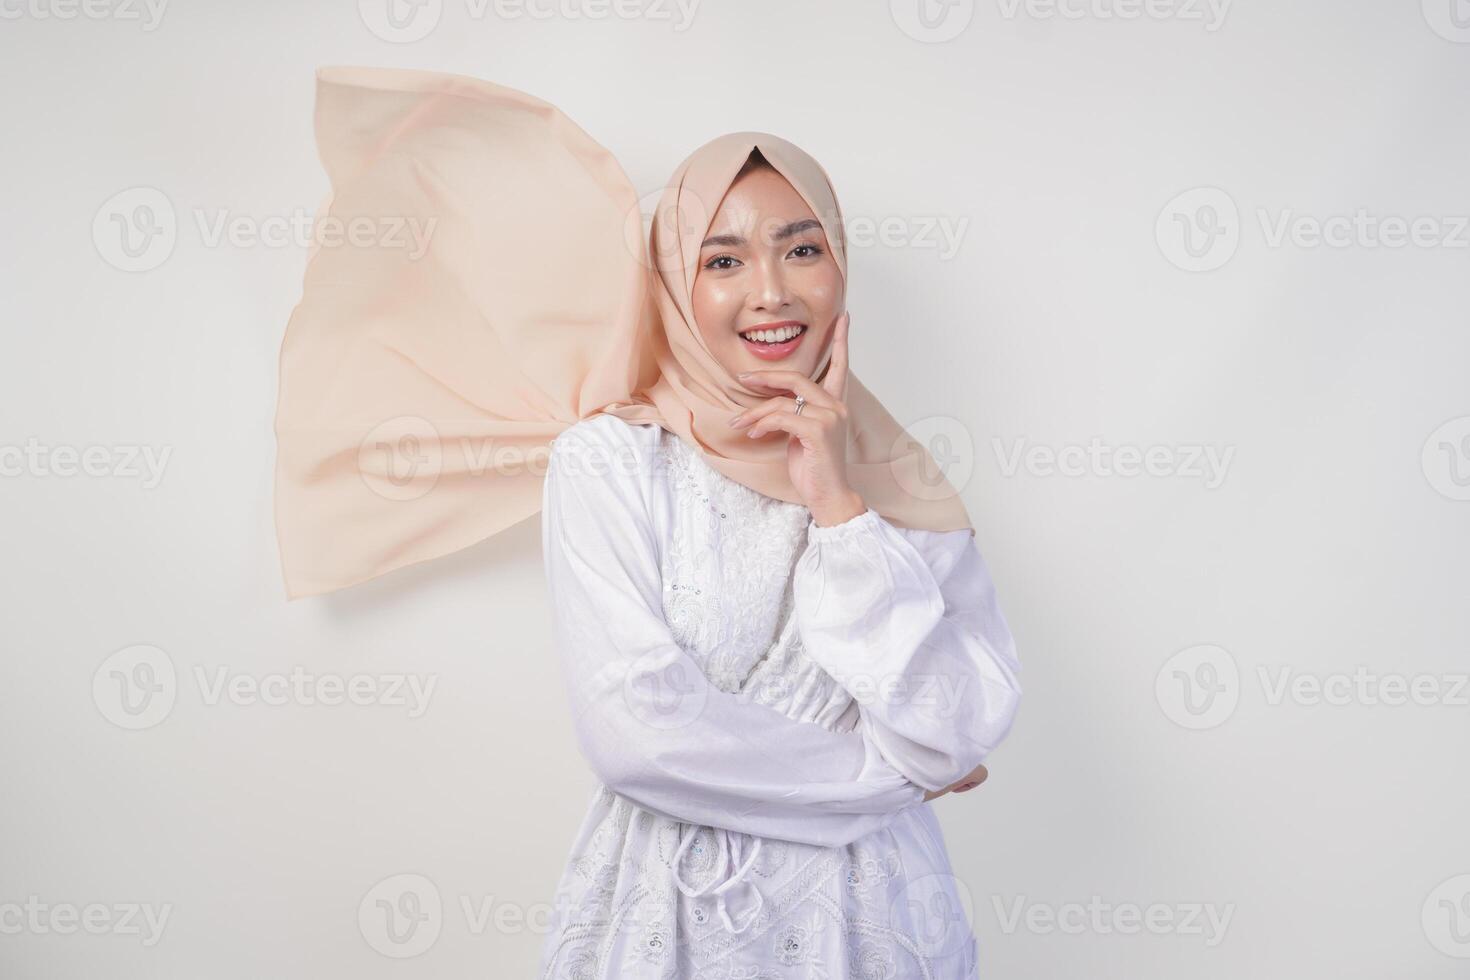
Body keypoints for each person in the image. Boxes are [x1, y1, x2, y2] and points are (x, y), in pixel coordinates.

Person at [272, 66, 1022, 979]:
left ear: (840, 266)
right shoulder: (611, 463)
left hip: (877, 925)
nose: (771, 293)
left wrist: (838, 506)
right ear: (674, 282)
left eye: (802, 248)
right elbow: (638, 736)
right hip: (670, 917)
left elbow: (961, 723)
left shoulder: (902, 484)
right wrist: (890, 775)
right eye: (723, 259)